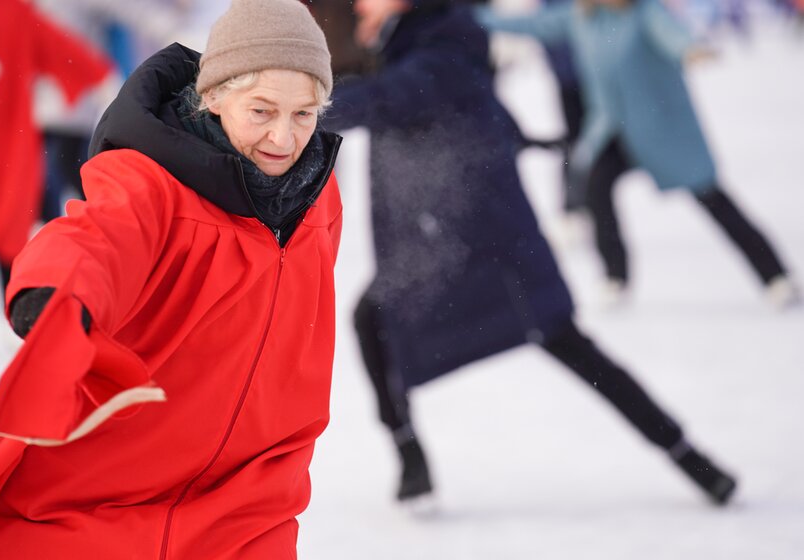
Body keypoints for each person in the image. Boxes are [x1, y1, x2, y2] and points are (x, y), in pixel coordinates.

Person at [0, 0, 343, 557]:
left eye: (304, 114)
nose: (283, 137)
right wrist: (61, 289)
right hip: (108, 492)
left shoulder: (317, 197)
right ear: (215, 96)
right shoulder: (152, 181)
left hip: (249, 504)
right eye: (261, 110)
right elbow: (96, 234)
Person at [325, 0, 736, 508]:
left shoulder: (448, 32)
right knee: (374, 320)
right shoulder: (400, 35)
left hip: (487, 234)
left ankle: (686, 452)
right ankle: (410, 454)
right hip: (429, 236)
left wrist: (307, 104)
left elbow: (402, 93)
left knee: (563, 338)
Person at [474, 0, 799, 308]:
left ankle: (775, 276)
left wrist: (691, 50)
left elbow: (672, 36)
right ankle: (615, 276)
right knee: (596, 190)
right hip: (611, 132)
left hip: (661, 131)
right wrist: (470, 18)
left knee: (713, 199)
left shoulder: (645, 13)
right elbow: (535, 25)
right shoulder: (581, 16)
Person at [0, 0, 112, 305]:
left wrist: (100, 75)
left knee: (12, 225)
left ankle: (15, 312)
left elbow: (57, 45)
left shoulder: (13, 11)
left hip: (6, 141)